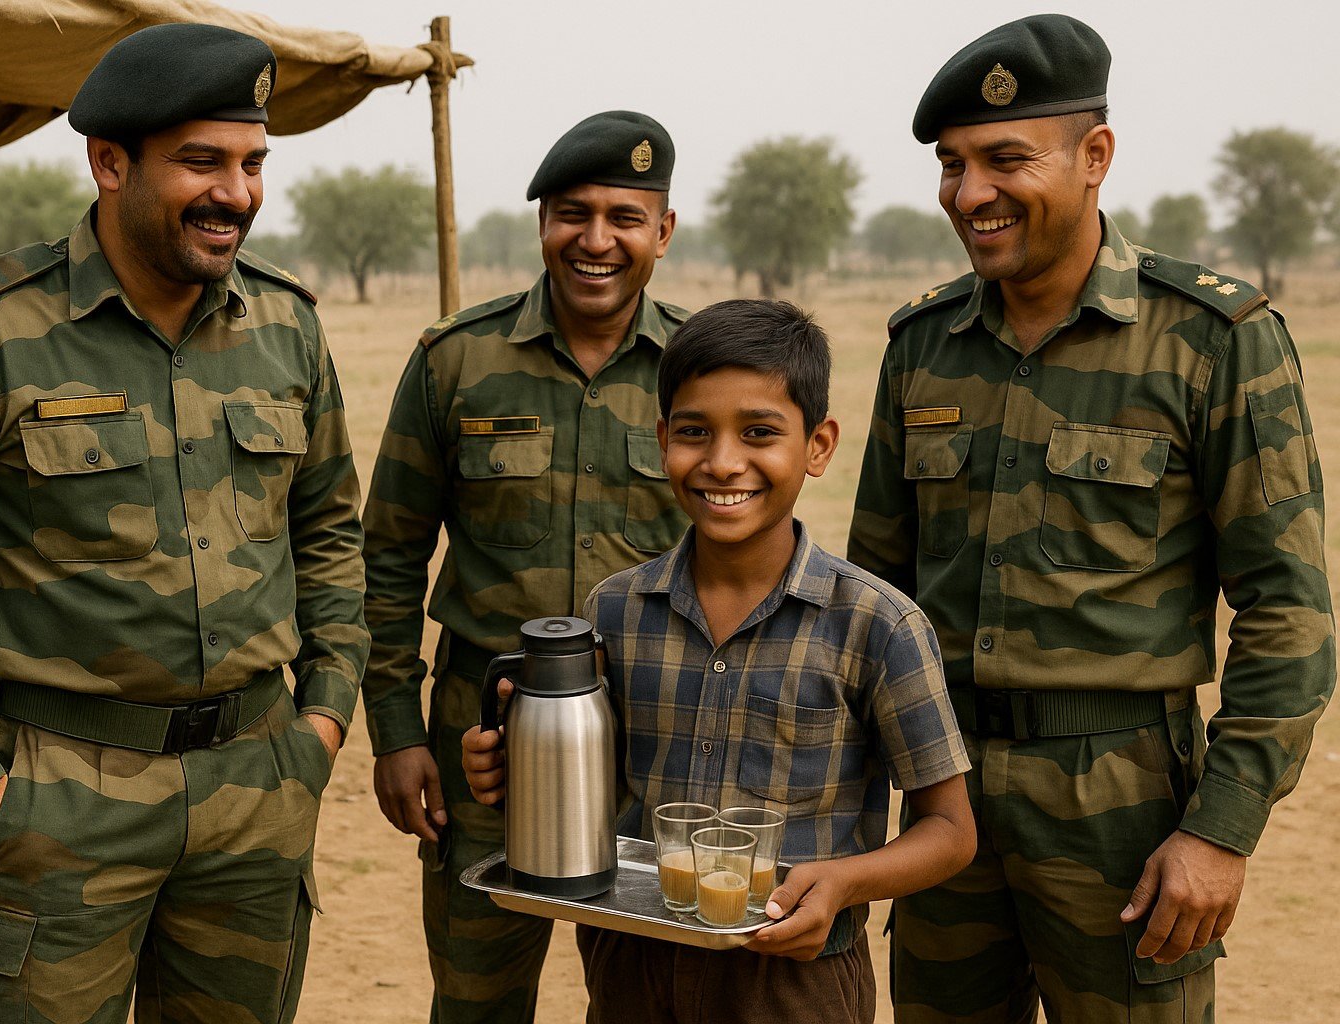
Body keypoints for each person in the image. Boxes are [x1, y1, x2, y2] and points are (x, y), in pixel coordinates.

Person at [0, 23, 367, 1022]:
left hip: (256, 791)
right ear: (110, 163)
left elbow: (329, 531)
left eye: (252, 164)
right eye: (201, 161)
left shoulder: (288, 326)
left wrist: (321, 720)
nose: (237, 193)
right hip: (54, 798)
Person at [847, 13, 1335, 1023]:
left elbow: (1288, 609)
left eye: (1005, 159)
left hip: (1125, 810)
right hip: (945, 803)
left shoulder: (1213, 339)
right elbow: (873, 593)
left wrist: (1221, 828)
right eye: (951, 165)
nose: (969, 194)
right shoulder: (923, 344)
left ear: (1095, 156)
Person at [464, 299, 977, 1023]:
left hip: (795, 979)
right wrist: (514, 767)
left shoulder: (877, 625)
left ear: (819, 446)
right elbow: (593, 787)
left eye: (759, 433)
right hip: (633, 965)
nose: (723, 462)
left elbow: (951, 833)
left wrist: (843, 883)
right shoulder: (615, 610)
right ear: (662, 440)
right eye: (694, 432)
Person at [360, 110, 690, 1023]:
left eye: (625, 218)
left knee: (650, 996)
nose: (596, 241)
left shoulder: (702, 364)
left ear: (664, 231)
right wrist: (396, 731)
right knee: (477, 995)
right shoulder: (458, 360)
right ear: (542, 221)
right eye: (572, 214)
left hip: (656, 741)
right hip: (488, 742)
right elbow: (388, 556)